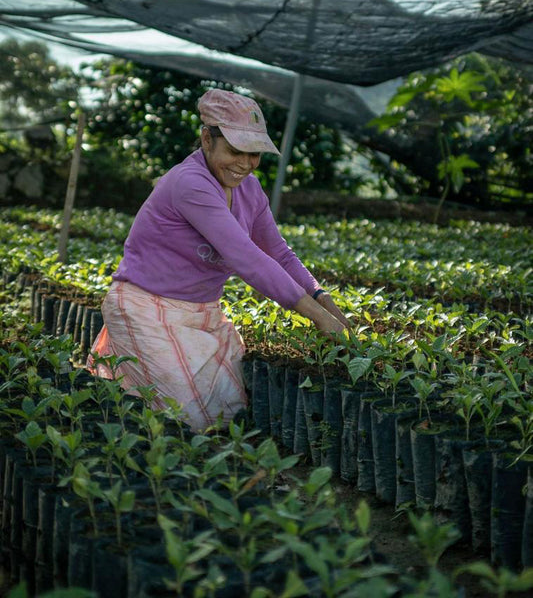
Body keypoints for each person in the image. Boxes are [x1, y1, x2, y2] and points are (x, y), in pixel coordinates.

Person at [88, 88, 350, 431]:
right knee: (185, 421)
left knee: (229, 415)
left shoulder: (250, 189)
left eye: (254, 154)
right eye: (235, 151)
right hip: (146, 309)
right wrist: (317, 318)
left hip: (204, 313)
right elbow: (246, 257)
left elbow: (279, 254)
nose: (245, 163)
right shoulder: (190, 182)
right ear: (207, 140)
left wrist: (325, 301)